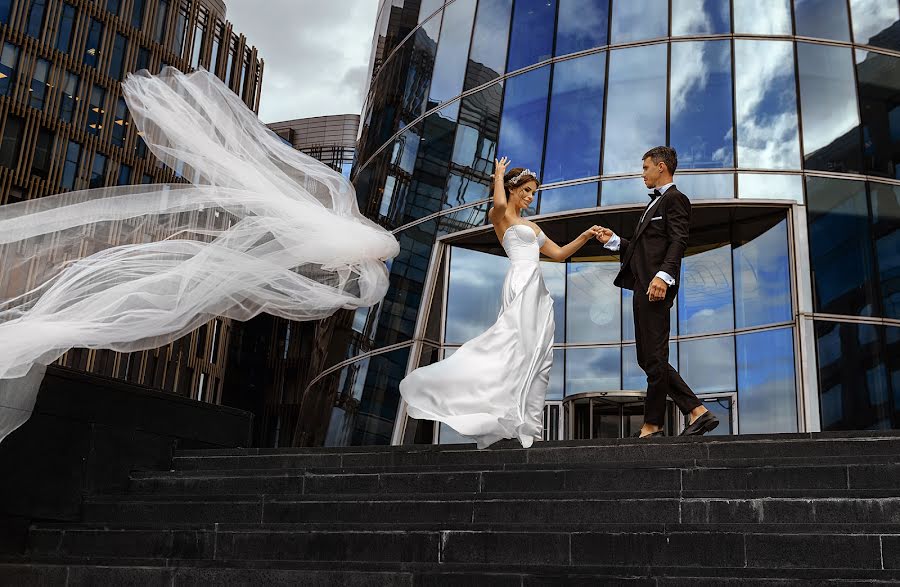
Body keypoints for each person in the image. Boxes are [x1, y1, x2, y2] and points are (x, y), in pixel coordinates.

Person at [400, 157, 601, 449]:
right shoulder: (501, 216)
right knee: (511, 346)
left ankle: (529, 424)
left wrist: (584, 235)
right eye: (527, 191)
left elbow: (558, 254)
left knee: (539, 355)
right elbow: (498, 204)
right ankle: (493, 405)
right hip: (520, 281)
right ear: (513, 189)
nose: (531, 197)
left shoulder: (532, 226)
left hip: (537, 288)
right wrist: (498, 175)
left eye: (534, 192)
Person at [595, 146, 718, 438]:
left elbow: (678, 241)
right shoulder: (652, 206)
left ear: (661, 167)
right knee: (649, 358)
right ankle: (696, 411)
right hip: (643, 286)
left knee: (654, 356)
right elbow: (641, 251)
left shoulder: (676, 199)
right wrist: (614, 241)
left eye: (646, 168)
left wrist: (664, 276)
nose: (643, 174)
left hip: (655, 288)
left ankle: (653, 424)